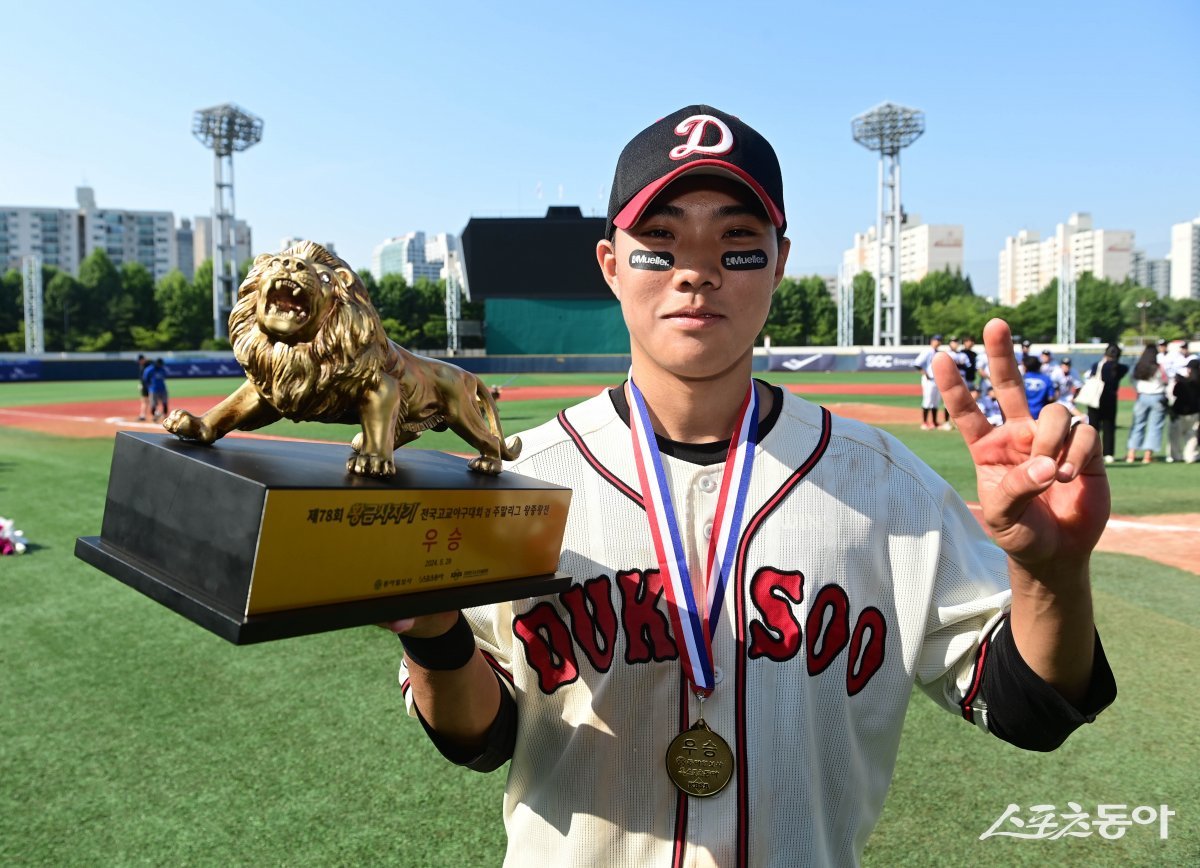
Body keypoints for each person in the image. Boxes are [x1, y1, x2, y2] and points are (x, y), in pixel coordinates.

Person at [387, 105, 1115, 866]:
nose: (696, 271)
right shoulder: (516, 480)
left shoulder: (890, 487)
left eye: (737, 244)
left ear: (779, 261)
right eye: (659, 244)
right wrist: (433, 634)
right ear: (609, 263)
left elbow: (1030, 708)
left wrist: (1050, 576)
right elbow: (481, 734)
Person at [1124, 345, 1168, 464]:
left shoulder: (1137, 367)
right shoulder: (1158, 367)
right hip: (1157, 396)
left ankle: (1131, 454)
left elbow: (1132, 380)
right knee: (1155, 427)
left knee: (1137, 425)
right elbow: (1165, 381)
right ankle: (1147, 456)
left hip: (1142, 396)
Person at [1087, 344, 1128, 464]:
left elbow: (1092, 375)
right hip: (1110, 400)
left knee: (1093, 428)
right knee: (1109, 427)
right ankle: (1108, 453)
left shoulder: (1098, 365)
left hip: (1095, 399)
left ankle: (1092, 451)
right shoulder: (1120, 368)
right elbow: (1124, 368)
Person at [1168, 358, 1200, 463]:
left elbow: (1175, 393)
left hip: (1179, 412)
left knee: (1175, 435)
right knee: (1192, 436)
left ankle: (1175, 455)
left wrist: (1180, 380)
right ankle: (1190, 456)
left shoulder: (1184, 382)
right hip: (1195, 413)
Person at [914, 334, 949, 430]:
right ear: (932, 341)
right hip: (929, 380)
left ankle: (934, 422)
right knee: (928, 400)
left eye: (939, 340)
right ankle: (924, 423)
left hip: (937, 380)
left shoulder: (938, 352)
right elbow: (917, 364)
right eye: (936, 340)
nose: (938, 342)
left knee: (935, 401)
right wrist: (925, 374)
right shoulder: (927, 351)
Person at [1021, 355, 1056, 420]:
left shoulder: (1021, 379)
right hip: (1040, 413)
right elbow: (1051, 398)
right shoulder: (1046, 379)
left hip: (1023, 413)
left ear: (1025, 367)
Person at [136, 354, 151, 421]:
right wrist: (141, 384)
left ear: (143, 359)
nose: (139, 362)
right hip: (145, 385)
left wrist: (143, 384)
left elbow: (147, 378)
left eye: (140, 360)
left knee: (148, 400)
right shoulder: (142, 365)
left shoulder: (148, 366)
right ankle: (143, 415)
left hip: (149, 386)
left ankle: (155, 413)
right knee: (144, 400)